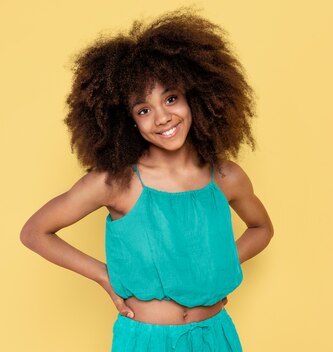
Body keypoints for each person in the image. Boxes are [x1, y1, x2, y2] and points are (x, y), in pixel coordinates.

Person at [19, 7, 273, 351]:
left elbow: (261, 228)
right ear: (128, 122)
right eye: (143, 110)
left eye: (171, 98)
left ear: (195, 99)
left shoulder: (227, 176)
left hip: (215, 335)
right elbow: (35, 232)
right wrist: (104, 277)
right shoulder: (116, 183)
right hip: (146, 340)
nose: (162, 117)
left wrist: (219, 263)